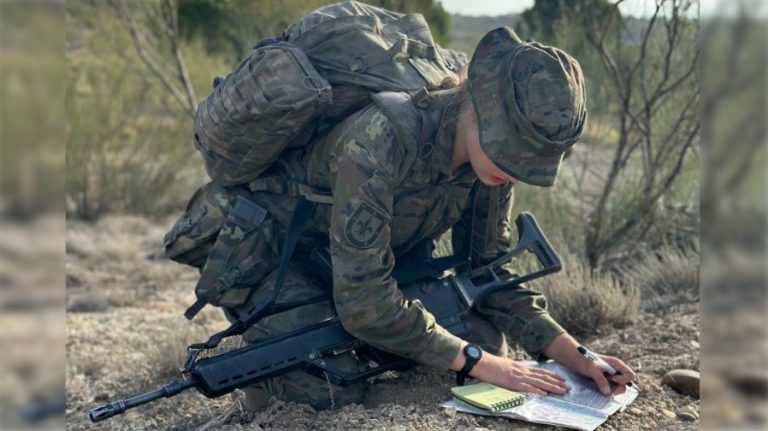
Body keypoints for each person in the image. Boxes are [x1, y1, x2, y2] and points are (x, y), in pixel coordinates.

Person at [223, 26, 636, 411]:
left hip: (373, 267)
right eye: (508, 151)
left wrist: (571, 352)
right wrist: (479, 363)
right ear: (476, 103)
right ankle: (269, 364)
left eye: (527, 164)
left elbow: (489, 270)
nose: (514, 171)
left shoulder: (490, 165)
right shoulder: (381, 139)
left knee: (488, 345)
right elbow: (364, 302)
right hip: (282, 255)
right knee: (332, 389)